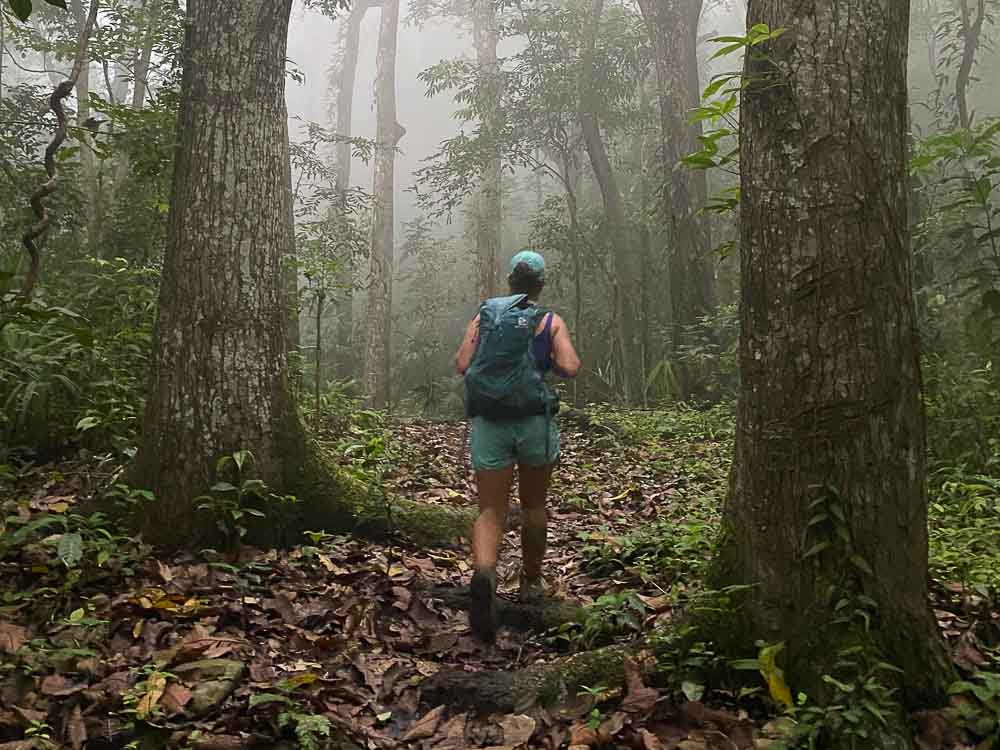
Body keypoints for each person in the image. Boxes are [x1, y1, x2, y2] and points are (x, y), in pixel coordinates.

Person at [455, 250, 581, 642]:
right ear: (540, 285)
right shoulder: (548, 320)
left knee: (490, 509)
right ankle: (530, 581)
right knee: (533, 506)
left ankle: (484, 574)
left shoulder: (485, 316)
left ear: (510, 281)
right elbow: (571, 366)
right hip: (533, 422)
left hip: (490, 422)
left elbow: (462, 364)